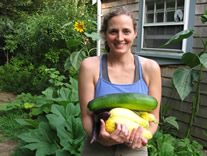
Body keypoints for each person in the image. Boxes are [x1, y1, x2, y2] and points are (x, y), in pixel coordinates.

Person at [78, 6, 161, 156]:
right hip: (97, 149)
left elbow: (154, 117)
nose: (120, 38)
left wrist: (142, 137)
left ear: (135, 33)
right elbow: (86, 116)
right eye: (113, 31)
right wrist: (102, 139)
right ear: (104, 34)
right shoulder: (90, 66)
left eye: (126, 31)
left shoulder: (150, 68)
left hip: (134, 149)